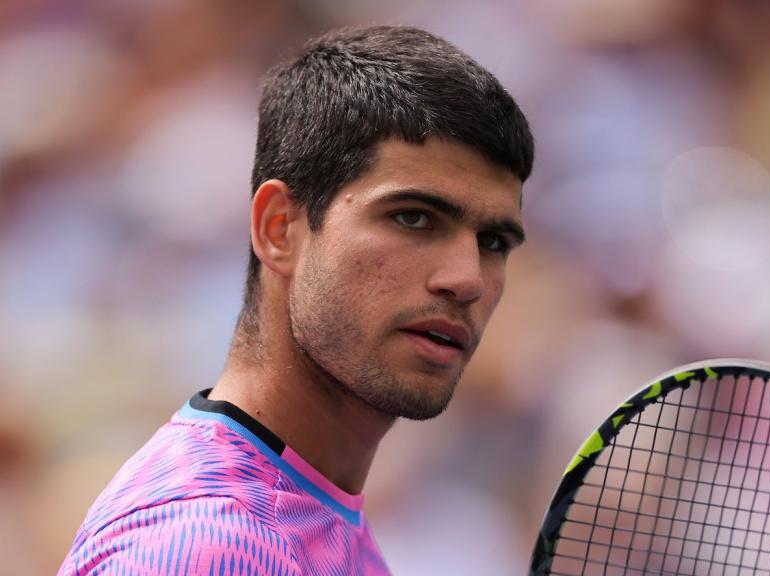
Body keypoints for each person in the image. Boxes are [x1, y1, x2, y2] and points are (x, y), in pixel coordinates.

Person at [60, 25, 533, 575]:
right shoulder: (213, 547)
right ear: (279, 227)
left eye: (493, 242)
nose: (467, 278)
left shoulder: (309, 511)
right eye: (413, 217)